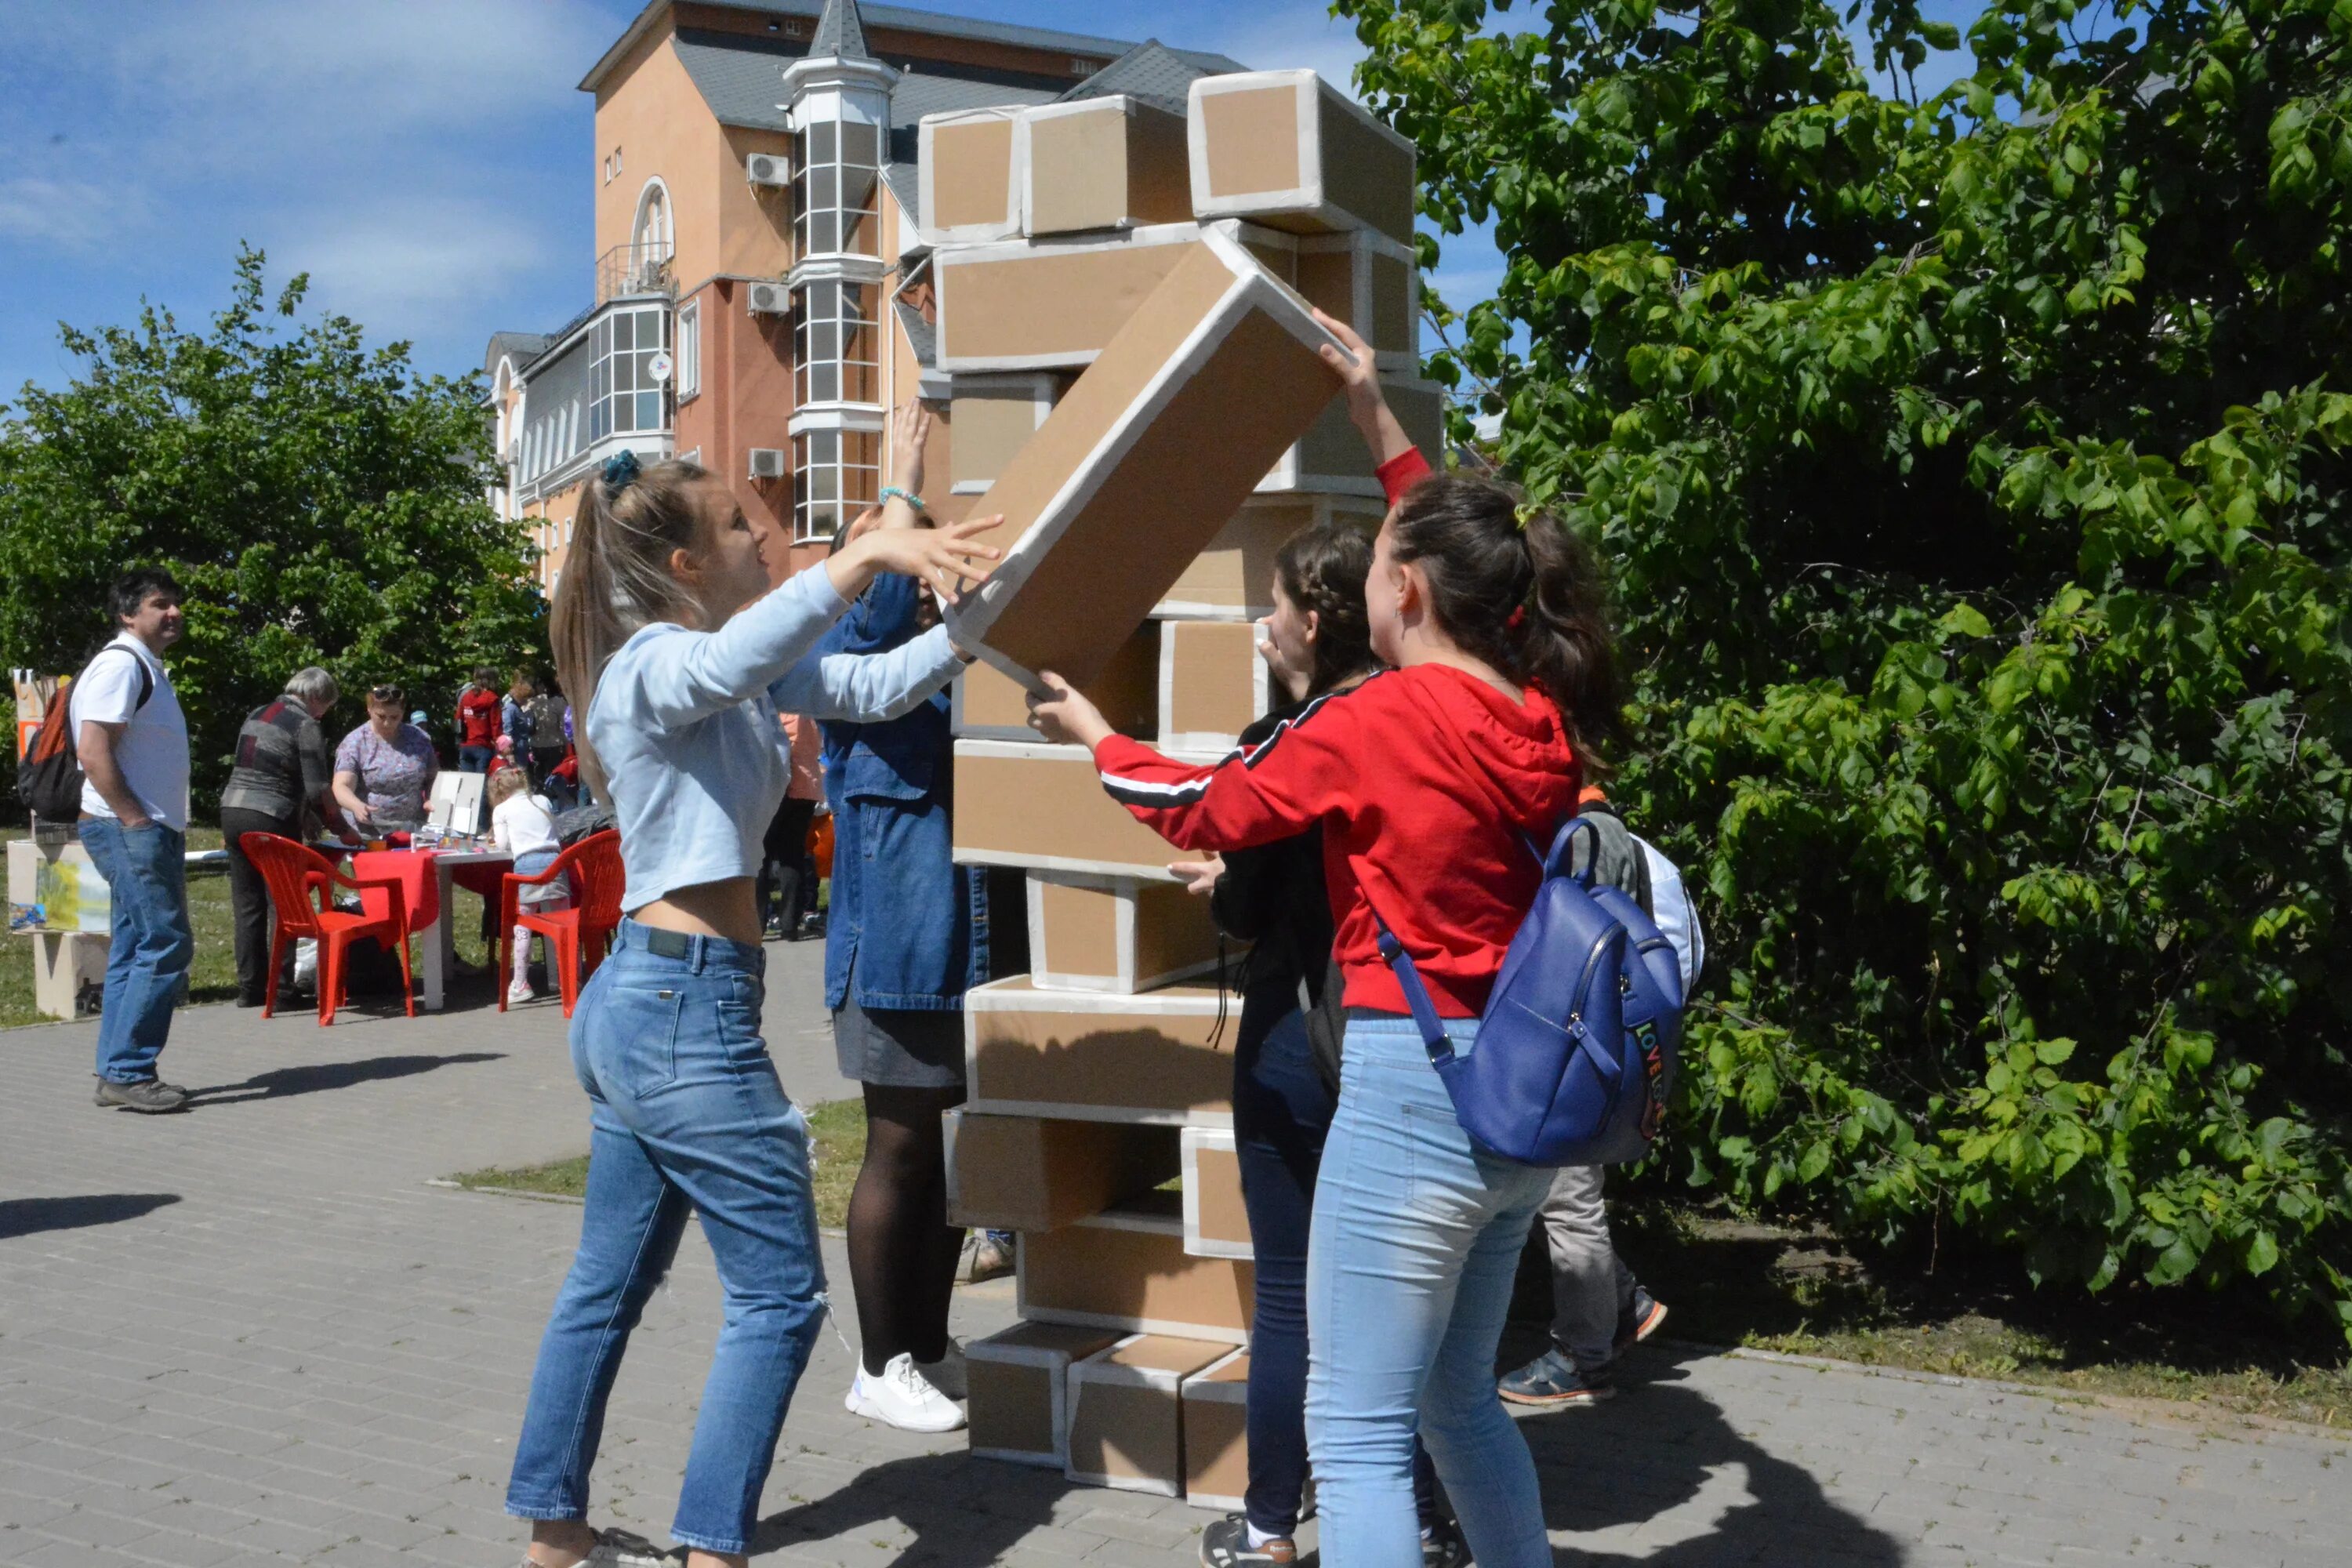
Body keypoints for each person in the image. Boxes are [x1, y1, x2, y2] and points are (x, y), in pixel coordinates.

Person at [1028, 310, 1620, 1568]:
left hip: (1411, 1092)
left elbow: (1199, 807)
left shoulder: (1381, 722)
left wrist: (1090, 732)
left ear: (1400, 590)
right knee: (1459, 1402)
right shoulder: (1541, 718)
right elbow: (1472, 573)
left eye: (1377, 569)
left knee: (1352, 1434)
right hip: (1521, 1094)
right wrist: (1376, 420)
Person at [504, 437, 1000, 1568]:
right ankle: (709, 1551)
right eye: (736, 525)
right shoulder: (649, 666)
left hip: (658, 1008)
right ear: (685, 563)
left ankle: (556, 1535)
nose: (763, 535)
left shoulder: (726, 661)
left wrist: (978, 620)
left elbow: (869, 686)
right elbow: (726, 666)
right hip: (681, 1014)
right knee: (778, 1303)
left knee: (607, 1286)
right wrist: (868, 552)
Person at [1168, 524, 1465, 1568]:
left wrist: (1224, 886)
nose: (1261, 623)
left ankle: (1268, 1531)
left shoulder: (1281, 741)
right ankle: (1426, 1516)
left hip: (1298, 1043)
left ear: (1312, 620)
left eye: (1275, 603)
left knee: (1292, 1296)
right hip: (1395, 1040)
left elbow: (1249, 902)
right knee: (1402, 1302)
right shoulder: (1414, 722)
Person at [817, 407, 990, 1436]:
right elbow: (877, 615)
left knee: (942, 1155)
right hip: (894, 954)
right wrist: (904, 484)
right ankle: (879, 1363)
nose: (911, 575)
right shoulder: (850, 655)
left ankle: (925, 1347)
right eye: (886, 562)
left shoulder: (934, 663)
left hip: (959, 954)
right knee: (900, 1148)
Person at [74, 567, 195, 1114]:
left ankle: (116, 1069)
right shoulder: (121, 665)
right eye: (159, 604)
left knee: (135, 944)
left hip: (144, 827)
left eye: (175, 603)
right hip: (129, 828)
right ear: (128, 614)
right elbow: (93, 751)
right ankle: (128, 1071)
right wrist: (135, 821)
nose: (173, 613)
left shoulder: (144, 666)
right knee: (166, 942)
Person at [217, 667, 341, 1008]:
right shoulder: (306, 724)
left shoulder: (258, 713)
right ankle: (283, 990)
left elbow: (267, 767)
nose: (324, 713)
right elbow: (317, 787)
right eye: (326, 706)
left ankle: (250, 989)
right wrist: (343, 828)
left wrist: (305, 813)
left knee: (248, 904)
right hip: (271, 816)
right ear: (316, 697)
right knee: (283, 902)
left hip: (232, 811)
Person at [488, 764, 566, 1007]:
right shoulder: (542, 800)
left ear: (499, 790)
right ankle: (570, 977)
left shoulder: (501, 810)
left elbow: (502, 844)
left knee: (523, 926)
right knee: (564, 924)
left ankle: (521, 983)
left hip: (528, 867)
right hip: (556, 863)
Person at [333, 684, 439, 835]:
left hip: (411, 828)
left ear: (403, 713)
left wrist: (430, 797)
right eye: (381, 716)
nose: (388, 723)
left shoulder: (419, 738)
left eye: (394, 717)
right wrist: (356, 805)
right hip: (369, 830)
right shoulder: (355, 742)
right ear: (369, 710)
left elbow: (434, 777)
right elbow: (341, 786)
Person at [757, 711, 822, 940]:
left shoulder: (773, 710)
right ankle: (790, 925)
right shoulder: (807, 715)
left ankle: (758, 923)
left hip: (777, 786)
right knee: (792, 856)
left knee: (761, 856)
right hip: (806, 788)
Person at [456, 666, 501, 774]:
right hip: (484, 747)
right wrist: (500, 747)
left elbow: (458, 721)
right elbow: (496, 726)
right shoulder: (492, 698)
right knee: (481, 786)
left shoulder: (466, 697)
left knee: (468, 785)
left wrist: (459, 742)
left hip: (466, 747)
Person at [504, 673, 538, 759]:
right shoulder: (511, 708)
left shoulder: (518, 708)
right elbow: (507, 729)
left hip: (522, 747)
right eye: (526, 698)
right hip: (516, 748)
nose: (528, 701)